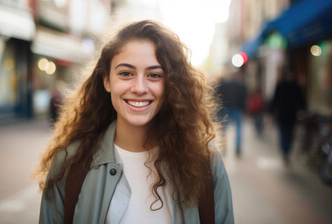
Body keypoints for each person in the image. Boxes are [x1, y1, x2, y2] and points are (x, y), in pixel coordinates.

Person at [35, 20, 234, 224]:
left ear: (171, 84)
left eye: (154, 75)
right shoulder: (70, 162)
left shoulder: (205, 162)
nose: (139, 87)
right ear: (106, 80)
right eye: (126, 73)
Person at [269, 68, 306, 164]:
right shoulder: (281, 85)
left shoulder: (296, 86)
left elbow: (301, 100)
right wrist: (272, 111)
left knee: (289, 134)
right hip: (282, 114)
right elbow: (275, 99)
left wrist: (302, 109)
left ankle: (287, 150)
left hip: (291, 115)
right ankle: (285, 150)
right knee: (283, 133)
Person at [216, 72, 247, 156]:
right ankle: (238, 147)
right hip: (236, 108)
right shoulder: (239, 85)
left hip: (225, 108)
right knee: (238, 128)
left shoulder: (222, 84)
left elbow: (218, 97)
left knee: (224, 128)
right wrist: (243, 109)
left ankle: (223, 146)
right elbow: (243, 97)